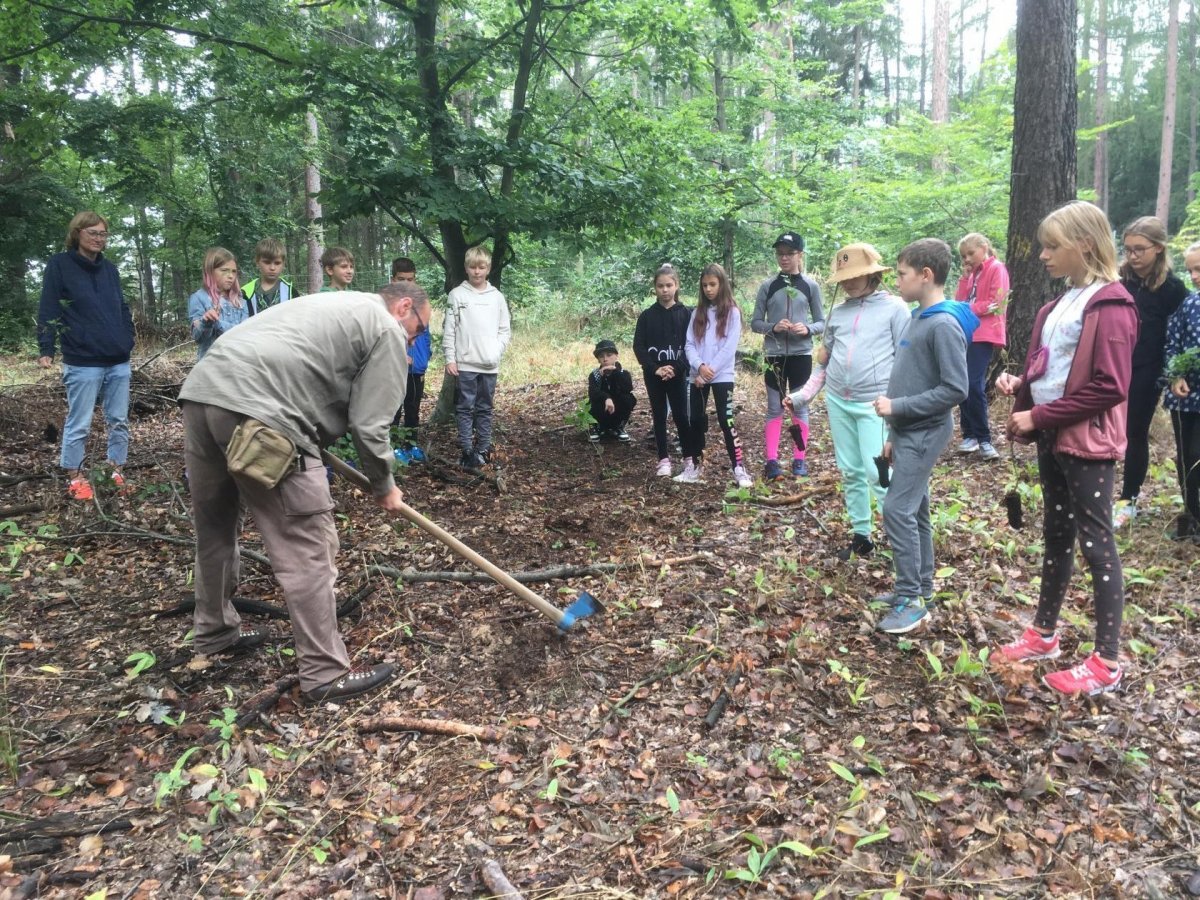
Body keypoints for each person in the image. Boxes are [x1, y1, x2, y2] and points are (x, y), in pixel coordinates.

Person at [178, 282, 432, 704]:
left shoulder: (338, 305)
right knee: (308, 546)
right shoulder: (386, 327)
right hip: (264, 413)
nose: (414, 340)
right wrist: (384, 485)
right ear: (404, 307)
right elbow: (370, 425)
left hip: (203, 393)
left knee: (215, 528)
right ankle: (324, 673)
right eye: (419, 330)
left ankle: (214, 632)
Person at [996, 200, 1137, 697]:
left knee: (1097, 543)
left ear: (1086, 244)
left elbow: (1110, 385)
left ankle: (1107, 661)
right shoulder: (1060, 304)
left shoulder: (1112, 305)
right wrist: (1024, 386)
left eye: (1052, 246)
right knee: (1057, 534)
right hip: (1055, 435)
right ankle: (1044, 633)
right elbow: (1053, 368)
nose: (1043, 255)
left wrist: (1039, 415)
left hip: (1087, 442)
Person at [873, 238, 976, 634]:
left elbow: (955, 389)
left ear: (926, 275)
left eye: (902, 274)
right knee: (914, 509)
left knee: (896, 510)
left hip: (927, 431)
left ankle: (910, 599)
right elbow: (913, 377)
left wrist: (897, 407)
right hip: (908, 431)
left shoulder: (943, 324)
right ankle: (922, 588)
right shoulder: (919, 317)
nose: (897, 281)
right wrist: (894, 432)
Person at [786, 243, 910, 560]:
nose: (850, 282)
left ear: (872, 274)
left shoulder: (895, 309)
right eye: (845, 277)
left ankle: (903, 544)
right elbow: (824, 365)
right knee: (851, 471)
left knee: (878, 473)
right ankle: (862, 536)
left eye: (856, 275)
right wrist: (802, 396)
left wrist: (898, 404)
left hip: (876, 405)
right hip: (839, 402)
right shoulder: (837, 313)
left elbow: (906, 361)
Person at [37, 211, 135, 501]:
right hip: (82, 358)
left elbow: (122, 306)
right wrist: (46, 347)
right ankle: (76, 477)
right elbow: (49, 307)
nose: (98, 238)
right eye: (92, 232)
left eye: (103, 234)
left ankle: (116, 471)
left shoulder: (110, 269)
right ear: (77, 233)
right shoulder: (59, 265)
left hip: (117, 358)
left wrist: (127, 337)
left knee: (119, 419)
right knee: (79, 422)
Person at [1113, 217, 1189, 527]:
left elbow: (1183, 333)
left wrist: (1175, 373)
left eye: (1139, 249)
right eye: (1128, 249)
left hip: (1148, 368)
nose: (1132, 256)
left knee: (1134, 431)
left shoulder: (1173, 288)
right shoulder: (1117, 279)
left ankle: (1127, 500)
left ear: (1158, 248)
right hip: (1113, 363)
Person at [752, 232, 825, 480]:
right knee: (775, 408)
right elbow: (755, 323)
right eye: (780, 254)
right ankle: (772, 461)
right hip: (774, 355)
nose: (784, 258)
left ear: (800, 255)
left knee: (799, 407)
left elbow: (822, 322)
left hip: (800, 355)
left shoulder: (810, 286)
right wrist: (773, 327)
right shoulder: (768, 286)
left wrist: (808, 329)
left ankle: (799, 459)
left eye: (789, 253)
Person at [678, 263, 752, 488]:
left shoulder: (732, 312)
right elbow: (689, 344)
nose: (709, 289)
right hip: (697, 375)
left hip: (722, 375)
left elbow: (729, 348)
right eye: (705, 285)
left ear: (722, 284)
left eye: (713, 284)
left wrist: (709, 371)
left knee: (725, 419)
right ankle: (694, 466)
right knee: (695, 420)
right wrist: (699, 366)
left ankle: (738, 468)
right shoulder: (697, 313)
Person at [444, 245, 511, 473]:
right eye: (472, 267)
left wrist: (495, 351)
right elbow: (450, 330)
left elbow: (505, 330)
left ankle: (483, 450)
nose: (477, 271)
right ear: (466, 268)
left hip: (489, 364)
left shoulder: (497, 297)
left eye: (481, 267)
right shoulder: (457, 295)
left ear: (488, 269)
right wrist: (450, 358)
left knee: (484, 408)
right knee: (464, 408)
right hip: (465, 364)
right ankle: (466, 450)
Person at [633, 263, 695, 476]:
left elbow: (692, 345)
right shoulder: (647, 316)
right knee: (659, 415)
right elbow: (639, 346)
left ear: (677, 285)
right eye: (660, 286)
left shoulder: (687, 314)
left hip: (678, 374)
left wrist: (677, 368)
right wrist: (655, 369)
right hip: (654, 375)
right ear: (655, 288)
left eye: (669, 285)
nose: (665, 290)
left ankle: (689, 457)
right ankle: (663, 459)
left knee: (681, 415)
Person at [954, 233, 1010, 461]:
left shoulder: (996, 268)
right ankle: (969, 435)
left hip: (984, 333)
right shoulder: (972, 274)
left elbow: (997, 303)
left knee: (973, 383)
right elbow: (959, 301)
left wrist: (969, 309)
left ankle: (984, 438)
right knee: (962, 382)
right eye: (963, 256)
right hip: (966, 332)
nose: (967, 259)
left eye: (970, 253)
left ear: (984, 247)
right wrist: (964, 278)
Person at [1162, 242, 1200, 540]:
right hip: (1186, 398)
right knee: (1187, 456)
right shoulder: (1189, 305)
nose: (1194, 276)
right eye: (1190, 270)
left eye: (1199, 269)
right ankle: (1191, 515)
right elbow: (1172, 342)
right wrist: (1175, 376)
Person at [390, 257, 430, 464]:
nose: (406, 284)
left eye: (410, 279)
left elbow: (425, 333)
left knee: (413, 408)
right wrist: (398, 355)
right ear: (393, 279)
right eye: (401, 279)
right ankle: (393, 447)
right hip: (395, 368)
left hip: (417, 368)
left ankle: (411, 445)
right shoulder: (387, 305)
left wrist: (425, 356)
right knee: (394, 410)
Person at [189, 247, 248, 360]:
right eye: (224, 270)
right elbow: (198, 337)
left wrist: (217, 323)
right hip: (211, 364)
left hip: (238, 363)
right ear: (210, 271)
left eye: (234, 271)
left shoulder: (241, 301)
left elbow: (245, 333)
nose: (231, 276)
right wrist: (206, 322)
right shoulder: (198, 298)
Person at [587, 340, 637, 441]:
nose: (605, 359)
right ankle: (597, 427)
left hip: (617, 410)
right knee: (593, 401)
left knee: (628, 398)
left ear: (616, 356)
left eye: (609, 355)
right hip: (602, 410)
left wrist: (615, 372)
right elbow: (593, 392)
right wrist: (606, 398)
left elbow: (627, 388)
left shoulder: (623, 373)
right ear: (598, 360)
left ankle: (619, 426)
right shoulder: (594, 375)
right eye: (601, 356)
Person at [241, 237, 295, 314]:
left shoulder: (291, 292)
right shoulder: (245, 293)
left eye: (277, 263)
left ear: (283, 264)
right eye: (267, 262)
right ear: (257, 262)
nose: (272, 268)